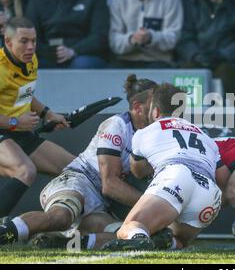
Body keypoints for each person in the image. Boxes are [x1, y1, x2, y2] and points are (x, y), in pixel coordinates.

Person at [0, 74, 158, 249]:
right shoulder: (116, 125)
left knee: (129, 234)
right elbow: (110, 185)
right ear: (137, 107)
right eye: (154, 105)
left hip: (100, 202)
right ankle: (5, 231)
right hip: (78, 182)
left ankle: (58, 242)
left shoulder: (153, 134)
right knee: (60, 217)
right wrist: (154, 205)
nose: (159, 111)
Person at [102, 83, 227, 250]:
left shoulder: (145, 132)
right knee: (175, 241)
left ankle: (139, 240)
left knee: (130, 227)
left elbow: (138, 171)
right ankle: (167, 243)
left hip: (176, 176)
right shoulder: (205, 136)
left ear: (156, 112)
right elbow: (223, 178)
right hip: (210, 193)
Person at [0, 17, 74, 218]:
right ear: (8, 42)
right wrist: (15, 122)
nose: (31, 47)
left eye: (34, 41)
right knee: (25, 171)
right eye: (24, 41)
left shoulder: (30, 60)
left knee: (75, 169)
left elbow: (25, 93)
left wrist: (48, 113)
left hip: (19, 133)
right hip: (6, 130)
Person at [26, 0, 110, 69]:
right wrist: (50, 52)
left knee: (82, 64)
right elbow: (30, 36)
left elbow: (100, 36)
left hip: (84, 55)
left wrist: (73, 51)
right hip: (48, 55)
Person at [109, 0, 183, 69]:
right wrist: (132, 39)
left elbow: (173, 38)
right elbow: (114, 41)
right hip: (125, 60)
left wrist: (151, 37)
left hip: (159, 61)